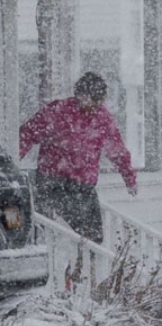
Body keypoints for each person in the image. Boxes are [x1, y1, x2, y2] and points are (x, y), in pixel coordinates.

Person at [19, 72, 137, 244]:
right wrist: (10, 164)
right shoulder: (58, 111)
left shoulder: (102, 118)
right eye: (94, 100)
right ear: (81, 95)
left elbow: (117, 150)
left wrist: (129, 177)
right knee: (66, 232)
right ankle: (69, 258)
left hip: (83, 186)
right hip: (53, 183)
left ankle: (85, 266)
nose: (97, 106)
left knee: (94, 238)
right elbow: (27, 135)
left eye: (100, 101)